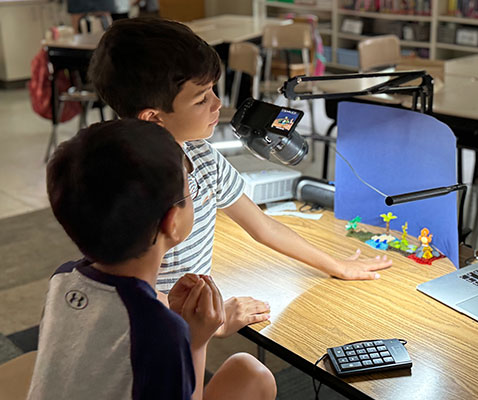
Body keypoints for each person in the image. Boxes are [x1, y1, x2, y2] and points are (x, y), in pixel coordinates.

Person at [88, 18, 392, 338]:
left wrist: (335, 265)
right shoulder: (130, 189)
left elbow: (263, 225)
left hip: (187, 315)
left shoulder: (201, 155)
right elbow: (130, 291)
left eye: (213, 90)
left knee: (253, 374)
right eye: (202, 98)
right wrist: (210, 325)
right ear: (154, 117)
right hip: (150, 332)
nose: (219, 103)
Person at [27, 119, 276, 400]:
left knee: (250, 371)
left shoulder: (61, 279)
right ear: (171, 221)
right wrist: (195, 340)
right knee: (255, 376)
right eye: (189, 189)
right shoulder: (161, 331)